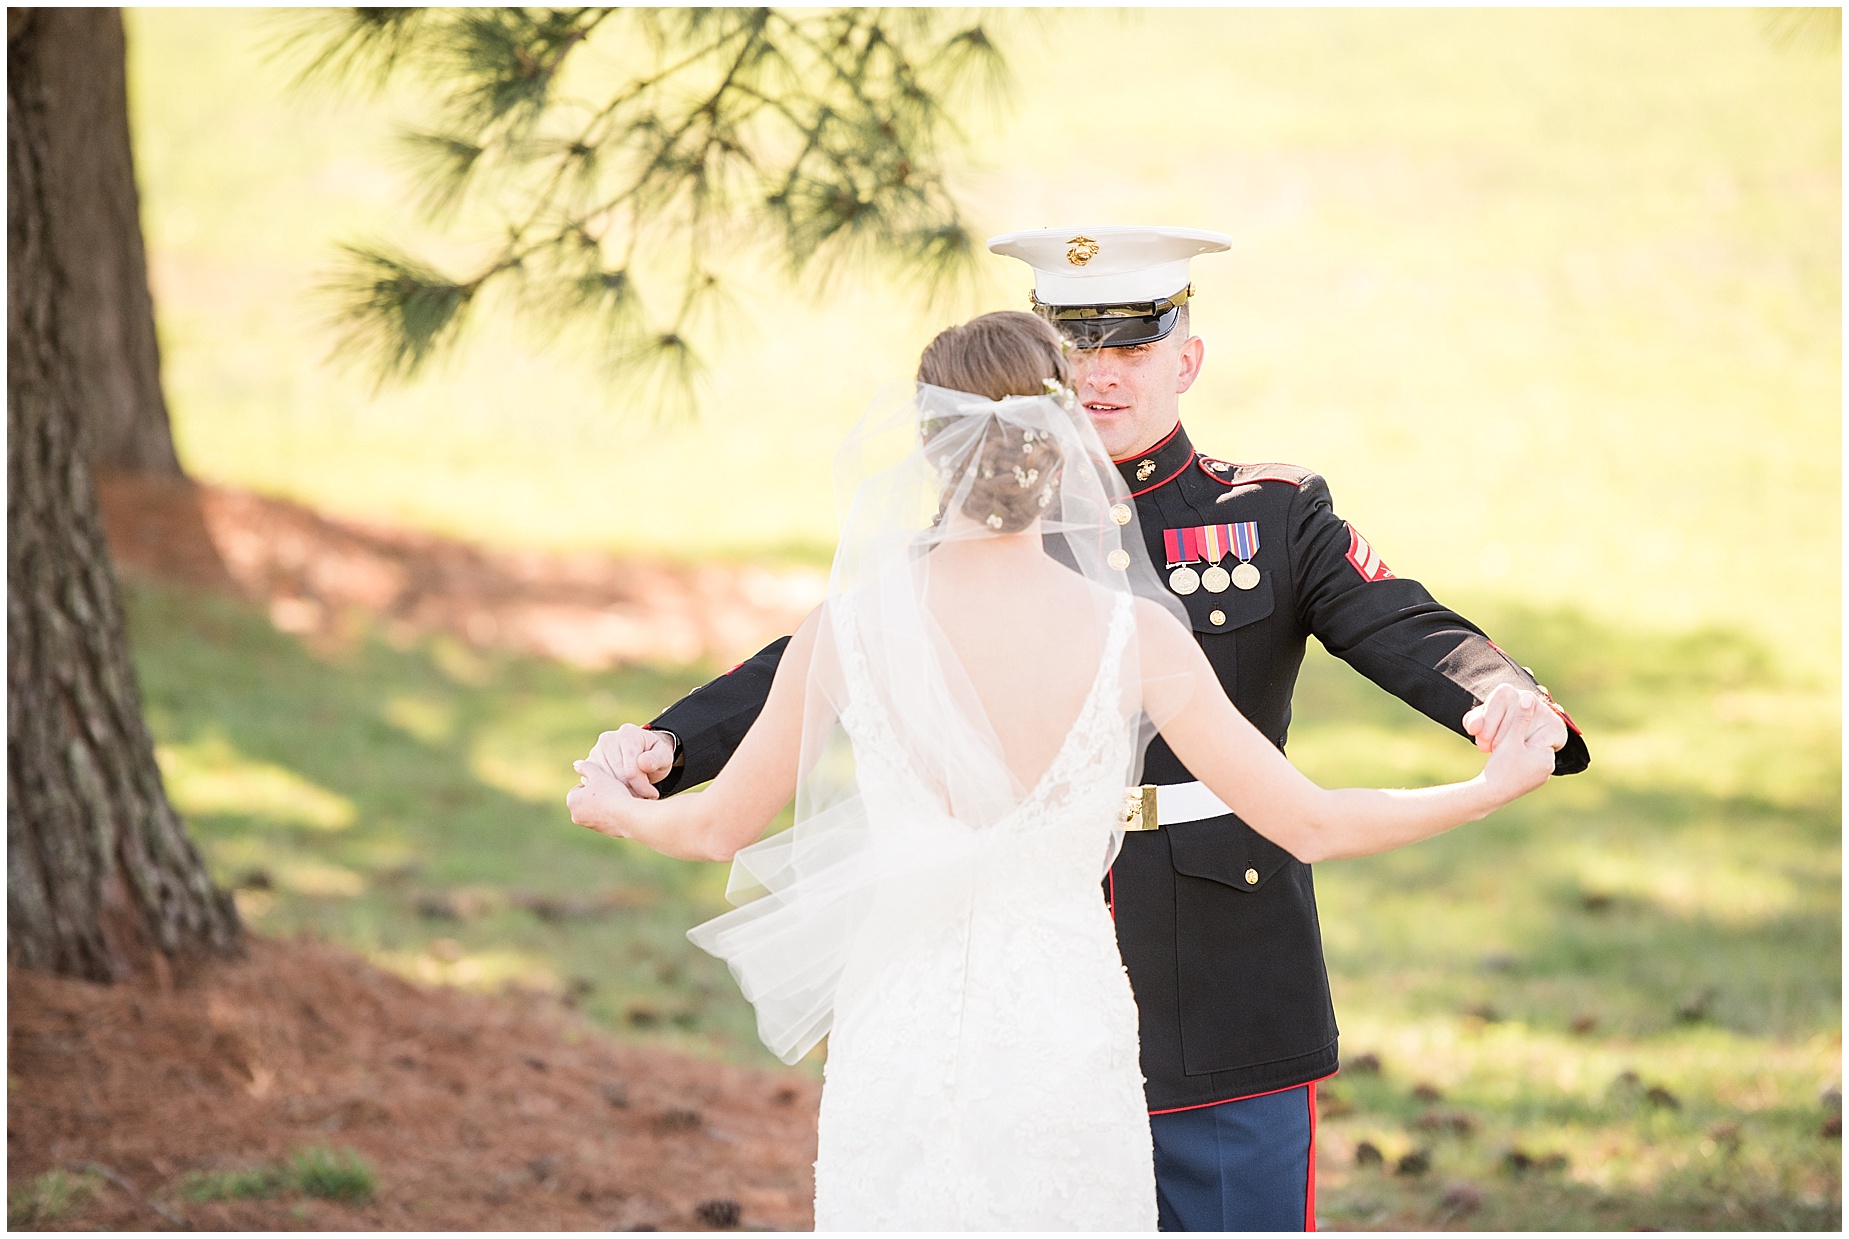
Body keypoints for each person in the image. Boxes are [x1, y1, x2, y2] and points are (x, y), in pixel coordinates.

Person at [589, 228, 1591, 1231]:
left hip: (1220, 959)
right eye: (1076, 351)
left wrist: (1500, 702)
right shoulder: (985, 557)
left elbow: (1398, 620)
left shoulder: (1268, 515)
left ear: (1186, 358)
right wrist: (674, 742)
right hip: (1020, 981)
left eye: (1131, 346)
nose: (1101, 374)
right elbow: (799, 664)